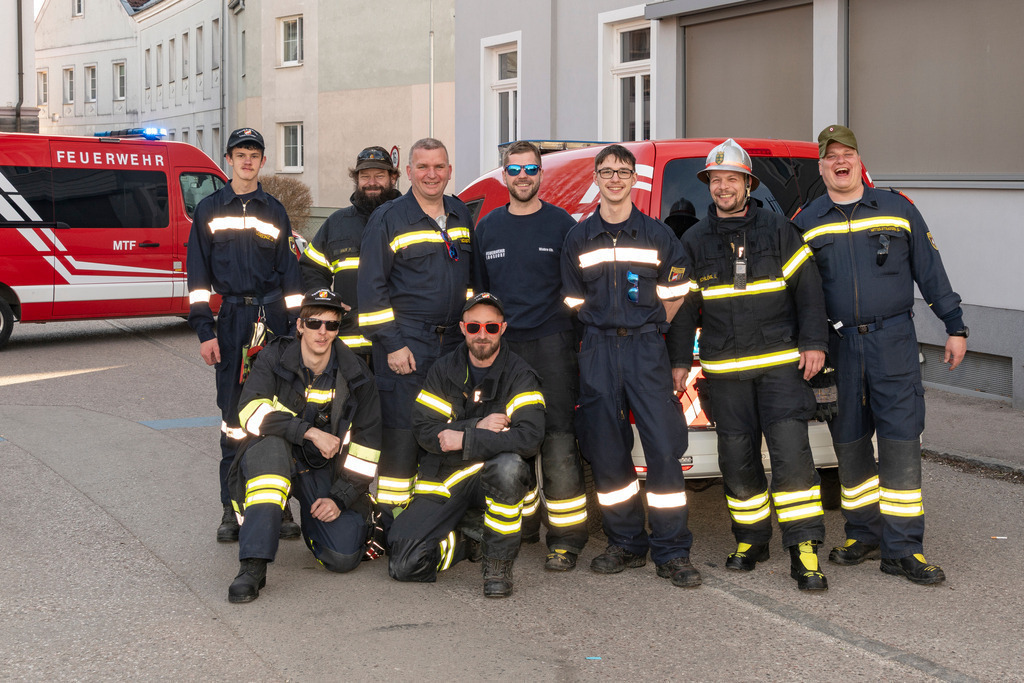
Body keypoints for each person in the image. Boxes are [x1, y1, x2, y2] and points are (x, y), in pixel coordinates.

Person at [793, 125, 967, 586]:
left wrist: (955, 325)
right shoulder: (807, 220)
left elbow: (931, 271)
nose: (840, 162)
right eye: (831, 157)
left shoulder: (896, 208)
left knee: (900, 443)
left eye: (847, 153)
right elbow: (798, 294)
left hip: (893, 344)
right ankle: (863, 534)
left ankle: (904, 548)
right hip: (838, 348)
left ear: (859, 160)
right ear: (821, 167)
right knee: (849, 444)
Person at [667, 139, 830, 591]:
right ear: (709, 186)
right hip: (726, 373)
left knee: (792, 459)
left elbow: (809, 290)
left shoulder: (778, 229)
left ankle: (804, 549)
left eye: (731, 179)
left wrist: (815, 342)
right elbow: (683, 309)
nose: (723, 187)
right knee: (736, 460)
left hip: (780, 368)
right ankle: (751, 540)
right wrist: (680, 361)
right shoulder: (695, 240)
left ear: (747, 184)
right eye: (716, 180)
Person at [561, 144, 700, 588]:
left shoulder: (659, 236)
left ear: (634, 178)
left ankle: (672, 550)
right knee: (606, 450)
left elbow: (679, 291)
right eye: (607, 171)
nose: (615, 179)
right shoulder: (579, 238)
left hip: (645, 350)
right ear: (597, 178)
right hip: (598, 349)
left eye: (623, 171)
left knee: (663, 450)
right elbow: (572, 301)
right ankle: (625, 542)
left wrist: (657, 332)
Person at [472, 140, 589, 571]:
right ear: (504, 175)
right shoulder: (487, 228)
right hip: (504, 352)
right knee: (508, 437)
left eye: (530, 170)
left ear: (542, 175)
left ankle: (567, 539)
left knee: (558, 439)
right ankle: (520, 527)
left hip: (554, 344)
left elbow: (578, 291)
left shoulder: (563, 225)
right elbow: (481, 296)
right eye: (515, 171)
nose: (523, 178)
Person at [186, 127, 305, 543]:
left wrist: (294, 334)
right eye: (241, 153)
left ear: (262, 161)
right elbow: (198, 279)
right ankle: (229, 509)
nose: (248, 160)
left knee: (278, 409)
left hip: (271, 317)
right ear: (229, 160)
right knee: (234, 419)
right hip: (233, 320)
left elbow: (291, 277)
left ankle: (281, 506)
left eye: (255, 153)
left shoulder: (275, 210)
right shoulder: (208, 210)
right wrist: (205, 330)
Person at [226, 288, 383, 603]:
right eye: (313, 323)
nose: (322, 332)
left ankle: (315, 524)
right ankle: (252, 566)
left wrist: (340, 498)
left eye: (331, 324)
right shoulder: (272, 357)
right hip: (274, 451)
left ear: (339, 329)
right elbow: (250, 413)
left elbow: (366, 450)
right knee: (270, 465)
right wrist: (310, 432)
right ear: (299, 325)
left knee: (342, 556)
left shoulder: (357, 375)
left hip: (321, 468)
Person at [387, 293, 543, 598]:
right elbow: (424, 429)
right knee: (404, 564)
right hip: (449, 477)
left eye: (490, 327)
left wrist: (464, 438)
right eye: (474, 328)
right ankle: (467, 540)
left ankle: (497, 566)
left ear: (503, 328)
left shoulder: (520, 374)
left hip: (495, 477)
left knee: (509, 467)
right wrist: (475, 427)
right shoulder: (443, 370)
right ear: (462, 328)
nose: (482, 335)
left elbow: (529, 437)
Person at [357, 138, 474, 513]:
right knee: (403, 437)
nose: (431, 174)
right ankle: (394, 524)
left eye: (439, 167)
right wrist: (391, 344)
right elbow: (371, 290)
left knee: (446, 430)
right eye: (423, 167)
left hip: (454, 345)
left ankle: (433, 520)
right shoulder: (388, 218)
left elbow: (474, 283)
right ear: (408, 173)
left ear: (449, 171)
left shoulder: (460, 215)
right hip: (407, 342)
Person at [299, 146, 402, 364]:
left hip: (397, 345)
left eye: (379, 176)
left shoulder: (407, 220)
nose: (372, 182)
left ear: (393, 177)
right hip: (348, 347)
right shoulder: (337, 223)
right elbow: (311, 267)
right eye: (365, 176)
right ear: (356, 179)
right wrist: (326, 301)